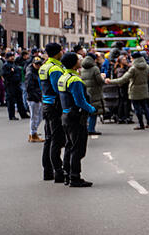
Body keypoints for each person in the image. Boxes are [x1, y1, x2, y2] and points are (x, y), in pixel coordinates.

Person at [56, 52, 95, 188]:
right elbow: (80, 101)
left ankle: (67, 174)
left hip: (65, 115)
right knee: (78, 149)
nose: (81, 61)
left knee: (69, 146)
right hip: (76, 117)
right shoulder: (75, 80)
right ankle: (75, 177)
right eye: (78, 59)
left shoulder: (63, 77)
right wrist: (91, 109)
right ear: (74, 64)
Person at [39, 42, 67, 183]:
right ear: (57, 53)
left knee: (49, 139)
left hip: (47, 104)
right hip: (55, 106)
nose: (62, 53)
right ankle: (58, 171)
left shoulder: (44, 66)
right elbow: (59, 88)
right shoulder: (55, 69)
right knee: (56, 139)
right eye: (61, 51)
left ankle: (47, 171)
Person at [107, 51, 149, 130]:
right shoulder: (147, 66)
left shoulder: (133, 69)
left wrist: (110, 81)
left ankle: (141, 124)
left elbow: (123, 79)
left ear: (134, 59)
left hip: (134, 90)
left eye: (131, 58)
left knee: (137, 108)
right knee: (145, 107)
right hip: (144, 88)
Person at [81, 52, 106, 137]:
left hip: (86, 91)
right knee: (94, 112)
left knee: (88, 110)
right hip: (95, 92)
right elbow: (99, 81)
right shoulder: (95, 68)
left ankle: (88, 127)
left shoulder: (82, 68)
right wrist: (103, 77)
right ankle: (91, 129)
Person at [2, 52, 28, 121]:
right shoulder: (6, 65)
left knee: (20, 100)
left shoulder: (14, 64)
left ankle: (23, 114)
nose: (12, 57)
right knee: (11, 101)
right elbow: (4, 74)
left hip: (17, 84)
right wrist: (11, 72)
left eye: (13, 56)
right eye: (10, 56)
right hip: (10, 85)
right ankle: (12, 115)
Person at [25, 56, 44, 142]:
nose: (38, 65)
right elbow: (29, 87)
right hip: (33, 98)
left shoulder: (36, 72)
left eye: (39, 64)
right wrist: (36, 96)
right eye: (36, 64)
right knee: (35, 117)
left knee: (38, 116)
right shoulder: (30, 73)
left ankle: (33, 133)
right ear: (33, 64)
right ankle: (33, 133)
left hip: (37, 96)